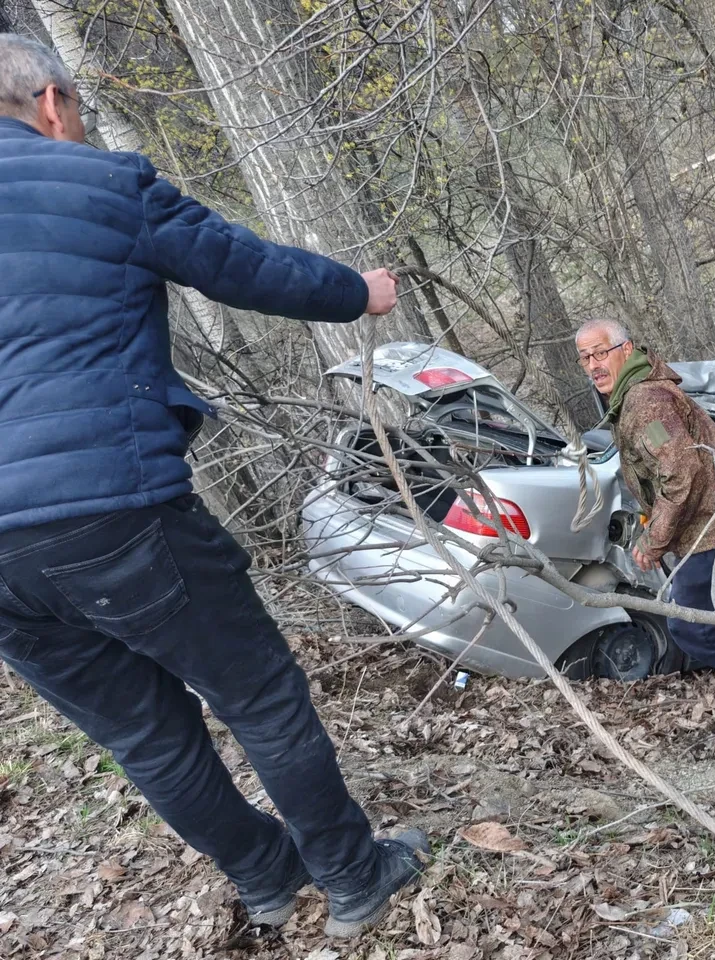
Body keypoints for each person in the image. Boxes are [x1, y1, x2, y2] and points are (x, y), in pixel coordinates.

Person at [0, 35, 427, 937]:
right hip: (112, 507)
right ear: (49, 104)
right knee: (259, 696)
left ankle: (268, 878)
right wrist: (361, 293)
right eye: (75, 108)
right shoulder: (105, 186)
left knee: (145, 736)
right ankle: (353, 876)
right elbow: (245, 267)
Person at [575, 319, 715, 685]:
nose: (594, 365)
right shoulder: (637, 394)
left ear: (625, 351)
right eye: (585, 358)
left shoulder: (645, 405)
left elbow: (680, 470)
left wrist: (654, 539)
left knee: (691, 627)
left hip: (710, 528)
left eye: (600, 353)